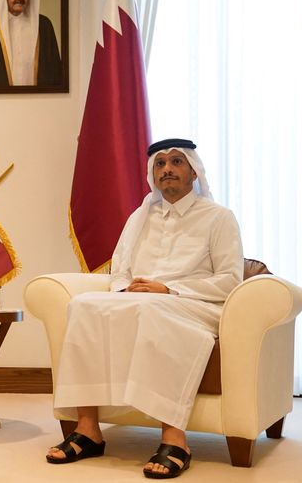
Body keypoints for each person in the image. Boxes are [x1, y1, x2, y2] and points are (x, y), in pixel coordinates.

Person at [46, 138, 243, 479]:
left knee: (154, 310)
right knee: (82, 305)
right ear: (153, 174)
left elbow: (229, 280)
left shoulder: (218, 217)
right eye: (161, 164)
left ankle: (175, 439)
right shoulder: (139, 217)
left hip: (194, 303)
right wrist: (126, 288)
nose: (168, 169)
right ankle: (88, 429)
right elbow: (119, 269)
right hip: (140, 298)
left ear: (194, 172)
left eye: (177, 162)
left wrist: (168, 288)